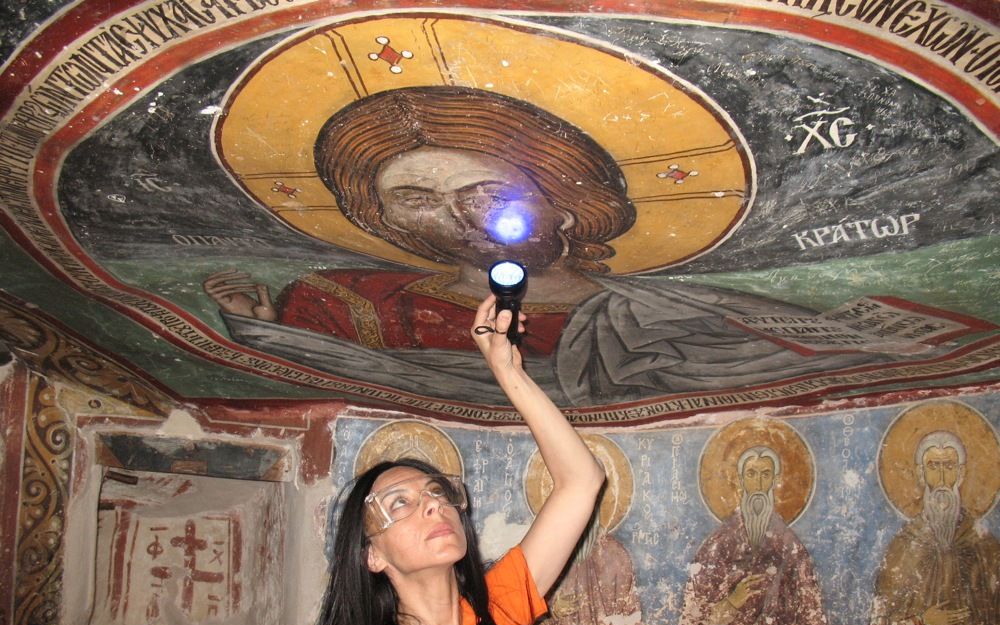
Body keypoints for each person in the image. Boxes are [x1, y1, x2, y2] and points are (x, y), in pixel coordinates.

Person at [204, 86, 890, 406]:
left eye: (483, 191)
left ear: (565, 205)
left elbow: (829, 356)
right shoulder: (354, 303)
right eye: (415, 199)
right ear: (390, 223)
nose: (458, 217)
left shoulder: (677, 314)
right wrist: (260, 333)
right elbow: (301, 375)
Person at [306, 295, 606, 625]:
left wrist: (507, 370)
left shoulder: (502, 609)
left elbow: (582, 480)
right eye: (400, 503)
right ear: (371, 555)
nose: (433, 505)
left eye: (436, 493)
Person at [679, 446, 831, 625]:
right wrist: (730, 604)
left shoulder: (792, 548)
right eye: (751, 474)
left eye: (765, 474)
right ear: (740, 480)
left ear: (775, 481)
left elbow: (811, 617)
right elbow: (692, 617)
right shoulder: (718, 545)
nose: (758, 484)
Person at [870, 431, 1000, 625]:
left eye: (949, 466)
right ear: (920, 473)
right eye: (933, 467)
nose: (941, 477)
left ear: (962, 472)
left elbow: (994, 624)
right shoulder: (904, 545)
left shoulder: (983, 545)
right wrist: (923, 622)